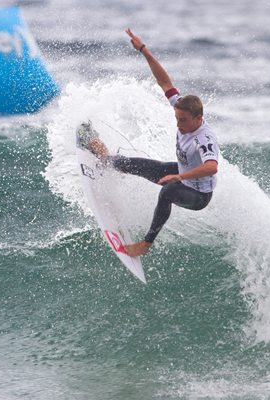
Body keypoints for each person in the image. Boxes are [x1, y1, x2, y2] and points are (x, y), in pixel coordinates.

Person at [82, 28, 219, 257]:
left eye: (183, 121)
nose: (179, 125)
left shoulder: (204, 138)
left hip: (198, 195)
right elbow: (164, 81)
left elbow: (212, 167)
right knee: (130, 163)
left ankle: (145, 244)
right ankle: (105, 157)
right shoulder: (182, 107)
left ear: (198, 118)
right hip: (182, 172)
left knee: (167, 191)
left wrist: (180, 177)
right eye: (176, 119)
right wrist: (144, 50)